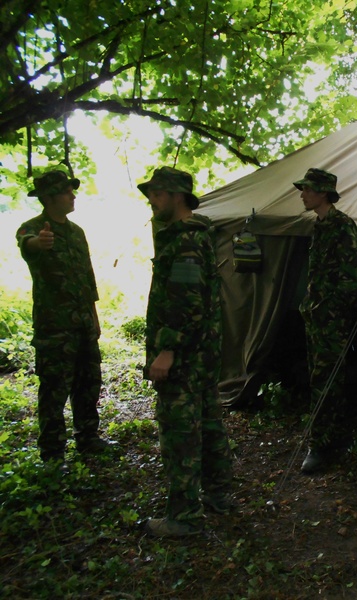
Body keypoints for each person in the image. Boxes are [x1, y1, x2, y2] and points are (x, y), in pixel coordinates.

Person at [138, 166, 233, 537]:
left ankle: (184, 516)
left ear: (176, 196)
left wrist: (167, 351)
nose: (151, 200)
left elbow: (186, 302)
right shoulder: (195, 235)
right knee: (208, 420)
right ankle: (218, 494)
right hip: (203, 354)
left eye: (157, 194)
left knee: (180, 432)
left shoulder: (185, 241)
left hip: (186, 357)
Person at [15, 170, 110, 466]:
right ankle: (53, 453)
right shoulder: (32, 228)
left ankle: (88, 438)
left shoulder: (77, 232)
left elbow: (87, 276)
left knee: (88, 383)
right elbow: (27, 244)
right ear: (49, 198)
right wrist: (37, 244)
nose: (73, 196)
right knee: (54, 389)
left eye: (72, 191)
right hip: (54, 327)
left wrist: (94, 317)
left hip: (82, 323)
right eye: (67, 192)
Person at [294, 168, 357, 473]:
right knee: (320, 378)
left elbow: (352, 279)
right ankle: (332, 437)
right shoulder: (320, 226)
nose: (303, 195)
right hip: (316, 317)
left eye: (308, 190)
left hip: (330, 321)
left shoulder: (342, 226)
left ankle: (321, 445)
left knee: (326, 380)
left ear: (323, 193)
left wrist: (329, 312)